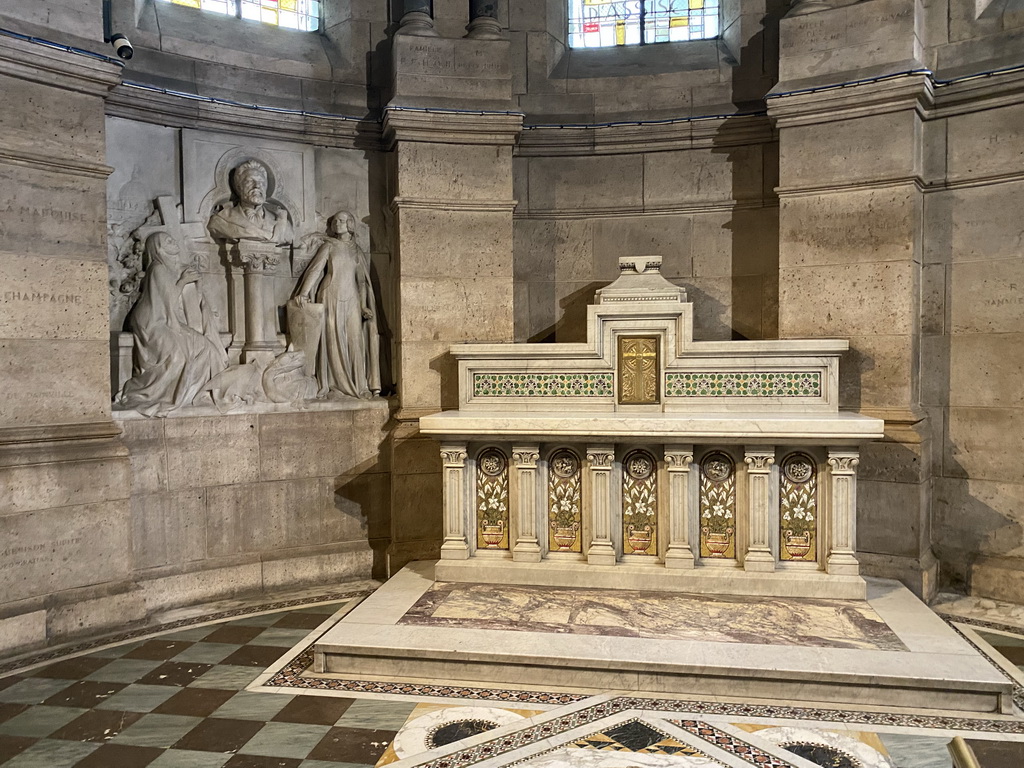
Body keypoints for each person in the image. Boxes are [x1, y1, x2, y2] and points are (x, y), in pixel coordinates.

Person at [117, 232, 228, 417]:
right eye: (168, 241)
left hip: (168, 320)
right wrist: (184, 280)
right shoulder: (158, 269)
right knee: (177, 356)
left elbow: (179, 301)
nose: (174, 242)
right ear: (159, 248)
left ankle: (200, 393)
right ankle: (152, 392)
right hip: (152, 322)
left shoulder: (169, 269)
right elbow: (169, 299)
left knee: (206, 347)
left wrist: (194, 281)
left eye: (172, 238)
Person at [293, 211, 380, 399]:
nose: (337, 224)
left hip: (353, 299)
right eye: (335, 221)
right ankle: (334, 384)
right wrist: (304, 292)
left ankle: (361, 386)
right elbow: (316, 270)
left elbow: (362, 281)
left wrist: (364, 306)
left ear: (350, 223)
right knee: (333, 339)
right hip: (330, 295)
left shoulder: (356, 250)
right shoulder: (329, 246)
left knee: (355, 340)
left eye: (342, 221)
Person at [207, 159, 293, 245]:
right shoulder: (220, 220)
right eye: (250, 181)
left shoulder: (283, 225)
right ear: (238, 187)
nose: (257, 186)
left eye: (261, 182)